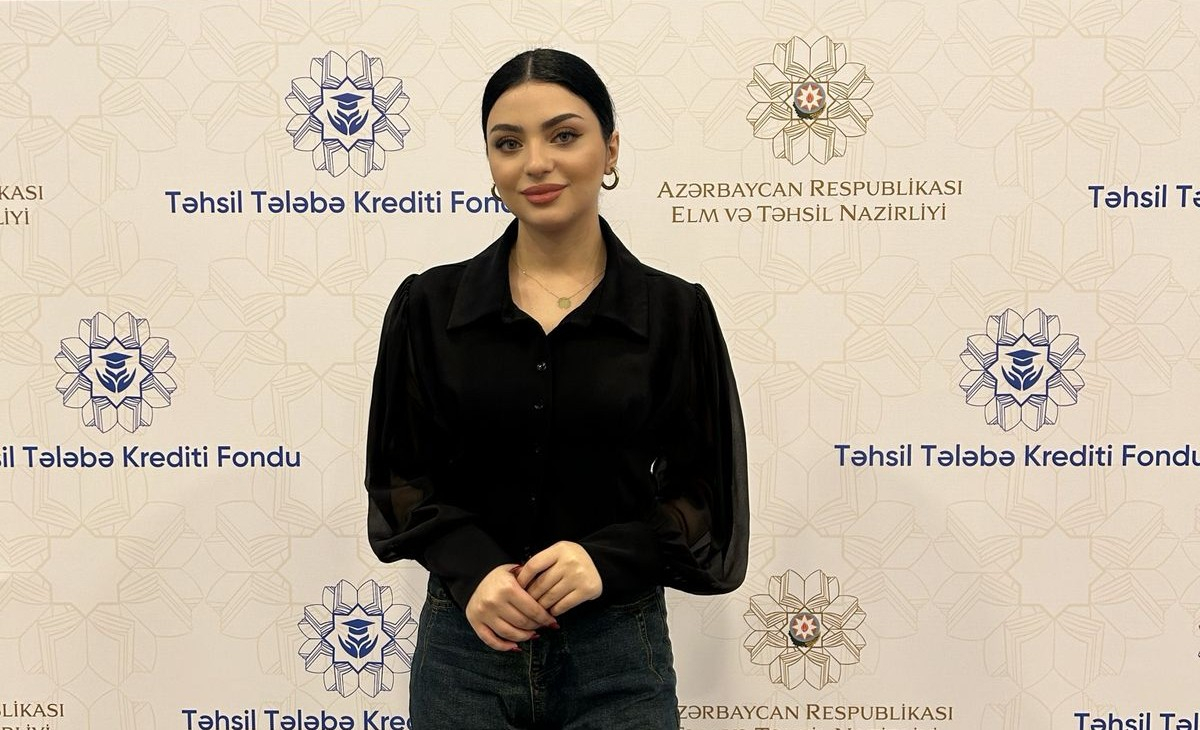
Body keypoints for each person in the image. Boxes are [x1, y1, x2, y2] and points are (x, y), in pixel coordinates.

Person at [365, 48, 748, 730]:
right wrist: (473, 568)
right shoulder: (429, 306)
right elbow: (399, 478)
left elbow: (706, 493)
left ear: (610, 150)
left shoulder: (674, 312)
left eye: (564, 135)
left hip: (618, 655)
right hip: (466, 651)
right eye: (508, 143)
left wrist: (605, 558)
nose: (535, 163)